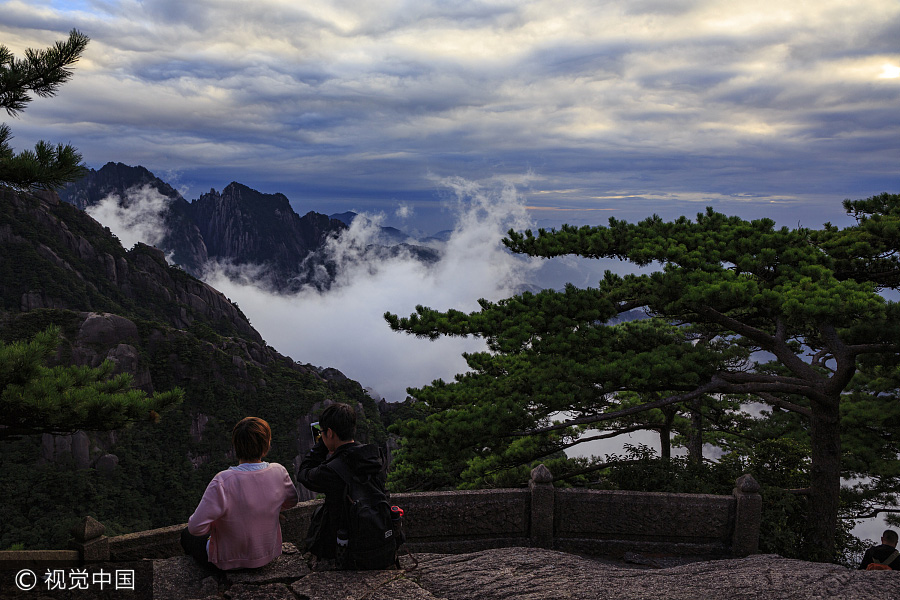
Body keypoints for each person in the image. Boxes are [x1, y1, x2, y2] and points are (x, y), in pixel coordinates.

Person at [181, 416, 298, 570]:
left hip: (228, 561)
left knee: (186, 534)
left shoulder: (223, 481)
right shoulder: (279, 471)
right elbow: (291, 501)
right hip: (268, 555)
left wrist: (219, 526)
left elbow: (195, 527)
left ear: (235, 446)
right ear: (266, 445)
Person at [296, 402, 386, 566]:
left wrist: (320, 446)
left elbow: (304, 474)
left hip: (347, 548)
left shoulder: (332, 470)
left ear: (330, 433)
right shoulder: (375, 457)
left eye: (323, 432)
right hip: (379, 542)